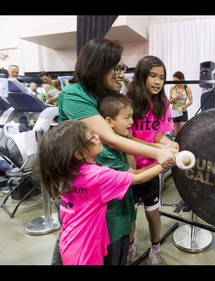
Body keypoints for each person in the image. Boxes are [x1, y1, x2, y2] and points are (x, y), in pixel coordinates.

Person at [54, 38, 177, 265]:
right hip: (91, 199)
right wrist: (159, 156)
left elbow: (127, 137)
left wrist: (161, 146)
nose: (121, 74)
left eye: (123, 68)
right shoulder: (74, 95)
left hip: (116, 185)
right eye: (117, 68)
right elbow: (112, 138)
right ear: (98, 66)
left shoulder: (106, 96)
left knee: (118, 245)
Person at [34, 120, 170, 265]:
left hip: (69, 243)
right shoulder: (97, 176)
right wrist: (164, 163)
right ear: (79, 154)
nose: (98, 136)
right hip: (86, 251)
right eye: (92, 136)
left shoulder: (66, 172)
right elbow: (137, 178)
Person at [127, 55, 178, 265]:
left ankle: (155, 248)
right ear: (141, 76)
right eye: (153, 76)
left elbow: (158, 135)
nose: (158, 81)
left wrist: (169, 144)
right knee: (130, 213)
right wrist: (159, 149)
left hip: (152, 169)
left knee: (152, 212)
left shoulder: (163, 103)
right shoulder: (127, 99)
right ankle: (130, 246)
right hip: (130, 167)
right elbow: (127, 138)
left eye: (162, 77)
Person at [97, 93, 145, 265]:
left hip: (123, 214)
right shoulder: (104, 152)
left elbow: (133, 164)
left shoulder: (117, 146)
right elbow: (134, 175)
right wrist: (164, 163)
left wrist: (125, 144)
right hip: (112, 225)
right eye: (127, 117)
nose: (132, 122)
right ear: (109, 121)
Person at [169, 71, 193, 138]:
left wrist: (183, 107)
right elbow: (170, 102)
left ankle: (181, 147)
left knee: (181, 133)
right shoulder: (172, 88)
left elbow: (191, 101)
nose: (175, 83)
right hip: (174, 112)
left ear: (182, 79)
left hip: (183, 112)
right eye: (173, 81)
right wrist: (176, 97)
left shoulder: (186, 88)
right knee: (174, 134)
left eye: (176, 81)